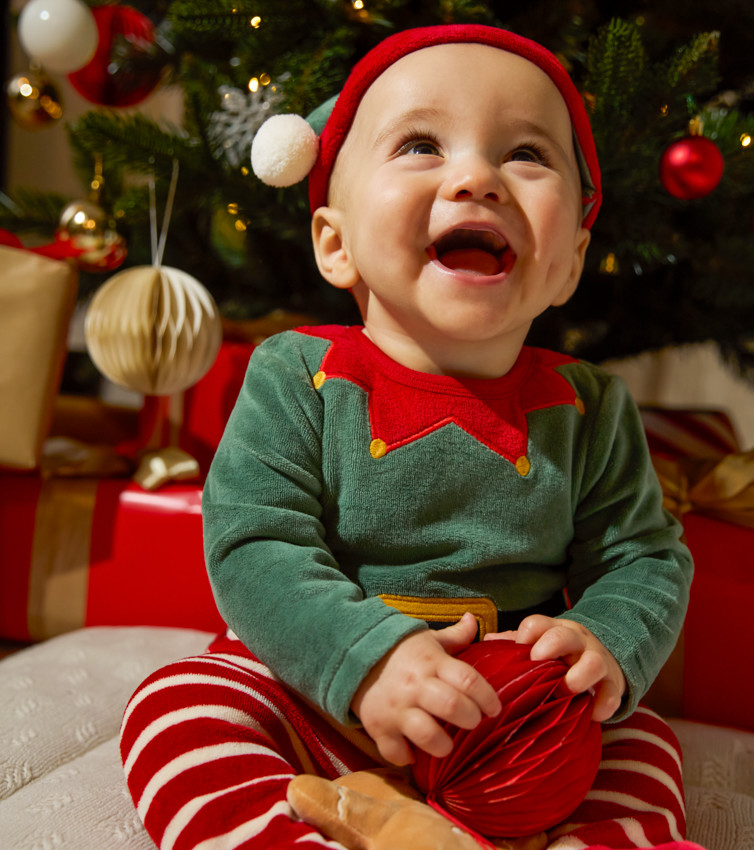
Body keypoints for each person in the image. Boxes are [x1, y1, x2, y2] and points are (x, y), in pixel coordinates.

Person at [120, 24, 695, 850]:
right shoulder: (299, 374)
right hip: (321, 693)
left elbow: (643, 557)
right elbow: (254, 543)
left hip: (511, 725)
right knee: (177, 707)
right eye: (422, 144)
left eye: (527, 154)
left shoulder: (588, 406)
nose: (476, 178)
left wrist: (605, 640)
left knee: (647, 748)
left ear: (570, 259)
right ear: (336, 242)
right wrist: (366, 660)